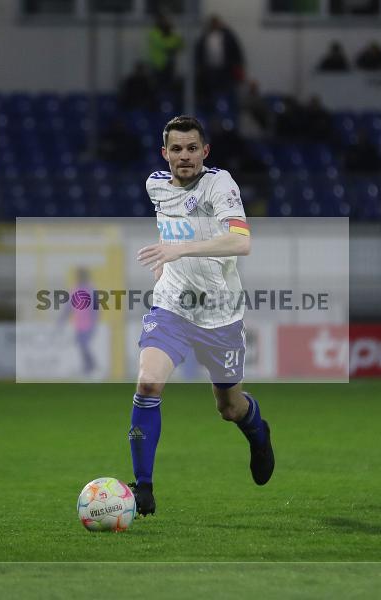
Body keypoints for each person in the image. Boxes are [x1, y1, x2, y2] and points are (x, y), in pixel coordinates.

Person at [129, 115, 274, 516]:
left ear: (205, 151)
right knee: (148, 382)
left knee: (229, 408)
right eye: (176, 149)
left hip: (220, 314)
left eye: (192, 148)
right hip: (172, 305)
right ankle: (143, 489)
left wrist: (179, 250)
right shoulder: (155, 185)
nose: (185, 156)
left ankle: (259, 432)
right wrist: (165, 259)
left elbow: (241, 242)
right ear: (165, 153)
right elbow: (170, 225)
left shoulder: (220, 184)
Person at [57, 267, 98, 376]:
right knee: (81, 346)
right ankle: (87, 368)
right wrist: (61, 320)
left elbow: (95, 308)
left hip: (88, 323)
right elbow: (68, 307)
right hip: (78, 324)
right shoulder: (75, 289)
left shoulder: (90, 289)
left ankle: (91, 366)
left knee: (84, 345)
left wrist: (94, 322)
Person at [195, 15, 245, 97]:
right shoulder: (205, 36)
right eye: (213, 23)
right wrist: (200, 66)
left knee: (225, 90)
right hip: (209, 69)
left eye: (216, 23)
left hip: (225, 69)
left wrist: (238, 64)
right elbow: (199, 52)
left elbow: (235, 50)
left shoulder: (227, 35)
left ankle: (224, 106)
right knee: (211, 91)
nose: (215, 25)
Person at [147, 13, 183, 82]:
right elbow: (163, 45)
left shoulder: (171, 33)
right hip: (158, 65)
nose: (166, 22)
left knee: (169, 84)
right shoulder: (154, 33)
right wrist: (175, 42)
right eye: (164, 21)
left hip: (169, 65)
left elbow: (181, 45)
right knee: (159, 85)